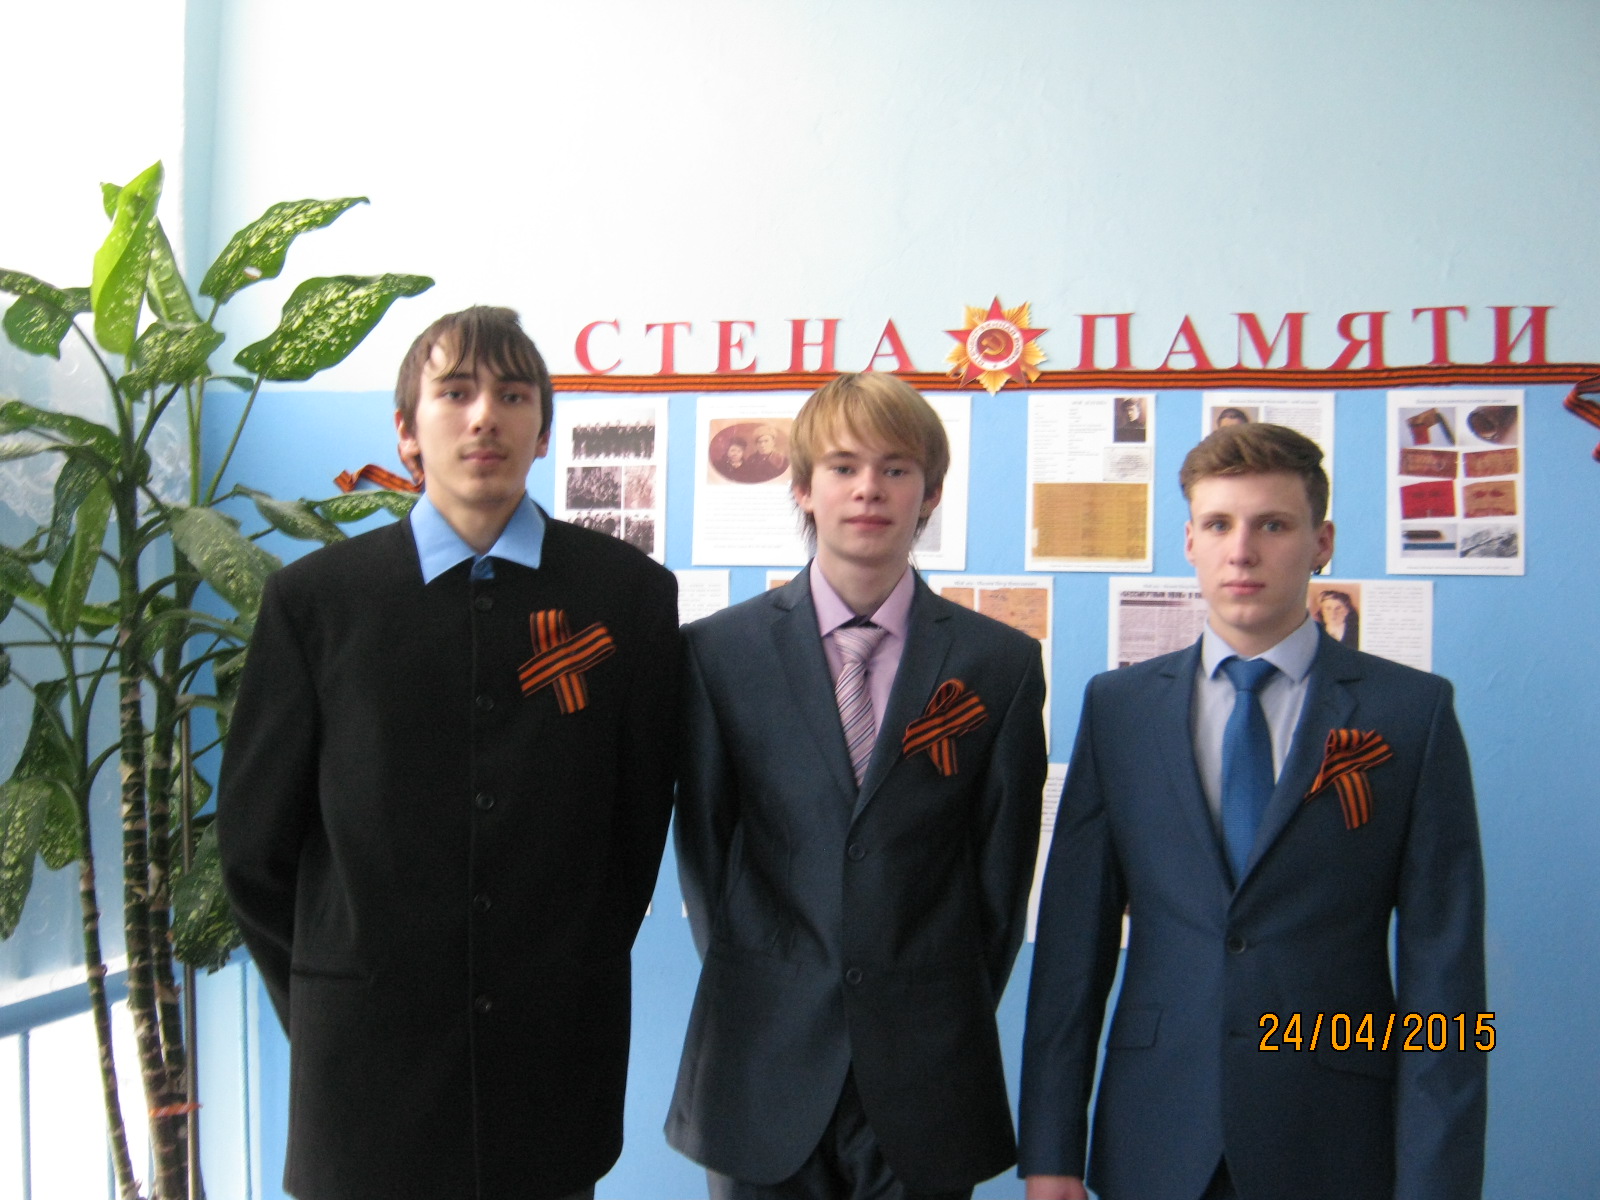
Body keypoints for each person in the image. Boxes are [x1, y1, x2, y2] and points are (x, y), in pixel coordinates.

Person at [218, 306, 679, 1200]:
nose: (484, 418)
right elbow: (254, 850)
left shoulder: (626, 598)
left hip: (550, 1068)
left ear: (542, 431)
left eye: (513, 395)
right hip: (364, 1078)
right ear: (406, 429)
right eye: (456, 392)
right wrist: (332, 1001)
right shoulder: (317, 604)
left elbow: (633, 834)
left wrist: (564, 967)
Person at [1019, 423, 1486, 1200]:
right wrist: (1051, 1151)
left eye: (1272, 525)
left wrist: (1437, 1181)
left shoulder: (1411, 713)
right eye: (1218, 525)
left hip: (1335, 1137)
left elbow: (1447, 972)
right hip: (1156, 1132)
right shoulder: (1120, 710)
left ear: (1321, 542)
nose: (1242, 551)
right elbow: (1072, 949)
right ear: (1189, 542)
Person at [668, 372, 1049, 1200]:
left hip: (927, 1072)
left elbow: (1000, 881)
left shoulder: (999, 665)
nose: (869, 488)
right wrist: (770, 987)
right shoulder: (719, 655)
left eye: (895, 468)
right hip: (761, 1065)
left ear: (930, 493)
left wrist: (934, 1009)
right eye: (843, 467)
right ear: (803, 488)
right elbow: (707, 860)